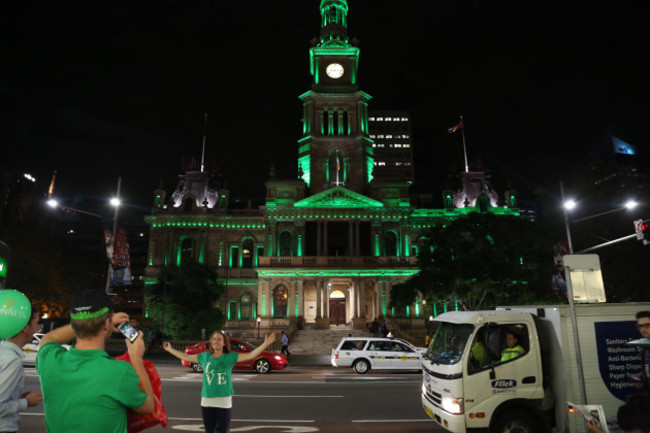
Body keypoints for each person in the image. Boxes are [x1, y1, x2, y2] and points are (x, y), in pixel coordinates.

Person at [36, 290, 154, 433]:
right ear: (106, 323)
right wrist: (136, 359)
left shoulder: (49, 360)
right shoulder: (119, 371)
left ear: (74, 323)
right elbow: (148, 406)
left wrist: (84, 323)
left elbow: (48, 338)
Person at [163, 330, 276, 433]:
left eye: (219, 339)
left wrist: (265, 343)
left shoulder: (230, 357)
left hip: (223, 399)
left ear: (224, 343)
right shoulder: (204, 356)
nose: (216, 341)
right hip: (207, 400)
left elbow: (251, 355)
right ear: (211, 342)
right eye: (214, 339)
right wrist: (170, 349)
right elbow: (185, 356)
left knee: (223, 430)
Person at [0, 307, 43, 432]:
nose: (38, 329)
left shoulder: (3, 352)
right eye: (36, 323)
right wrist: (25, 402)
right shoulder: (12, 360)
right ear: (24, 327)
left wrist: (16, 397)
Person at [633, 311, 650, 395]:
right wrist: (642, 381)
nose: (643, 329)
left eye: (647, 326)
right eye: (640, 326)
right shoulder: (644, 348)